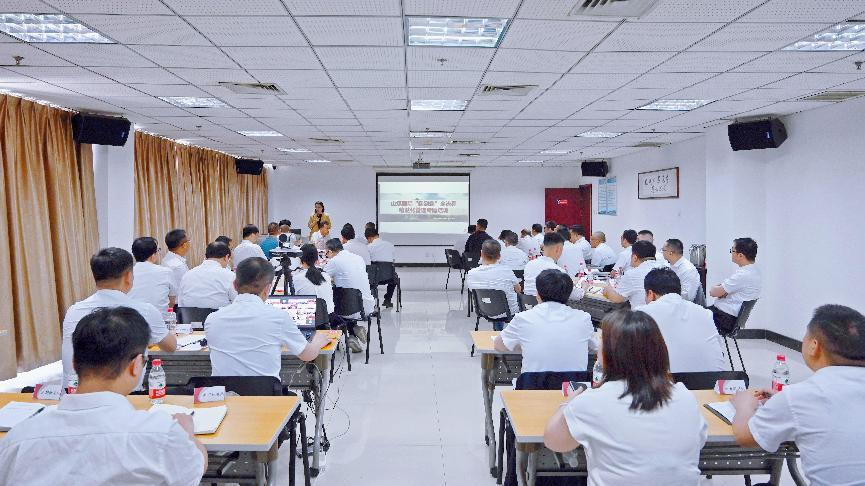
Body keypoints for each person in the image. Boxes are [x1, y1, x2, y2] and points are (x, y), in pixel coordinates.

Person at [0, 307, 206, 485]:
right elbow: (195, 466)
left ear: (74, 362)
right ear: (136, 366)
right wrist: (187, 434)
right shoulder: (162, 435)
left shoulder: (17, 441)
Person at [544, 309, 708, 486]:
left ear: (608, 354)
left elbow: (554, 442)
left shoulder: (592, 402)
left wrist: (569, 402)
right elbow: (699, 441)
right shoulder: (685, 397)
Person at [731, 304, 865, 485]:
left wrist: (744, 405)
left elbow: (745, 437)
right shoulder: (797, 397)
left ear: (814, 346)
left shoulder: (798, 397)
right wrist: (782, 401)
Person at [62, 248, 177, 384]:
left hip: (74, 390)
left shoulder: (73, 310)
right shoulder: (144, 310)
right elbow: (171, 347)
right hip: (126, 393)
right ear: (128, 276)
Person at [205, 257, 331, 377]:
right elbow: (307, 355)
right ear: (267, 288)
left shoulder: (212, 319)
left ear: (234, 285)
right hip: (264, 391)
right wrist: (317, 341)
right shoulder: (278, 317)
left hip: (222, 392)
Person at [494, 269, 597, 372]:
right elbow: (594, 347)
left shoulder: (523, 318)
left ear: (537, 294)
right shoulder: (583, 318)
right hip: (573, 382)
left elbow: (499, 346)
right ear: (568, 294)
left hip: (533, 381)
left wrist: (525, 346)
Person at [636, 268, 725, 373]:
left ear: (651, 294)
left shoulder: (642, 313)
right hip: (714, 380)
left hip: (668, 381)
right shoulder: (705, 313)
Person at [323, 239, 374, 340]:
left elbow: (322, 279)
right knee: (345, 295)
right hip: (367, 306)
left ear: (330, 251)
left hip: (349, 308)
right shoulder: (358, 258)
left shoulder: (334, 261)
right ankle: (353, 331)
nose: (326, 256)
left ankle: (350, 334)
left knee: (328, 307)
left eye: (326, 253)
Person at [708, 237, 761, 334]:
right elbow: (723, 291)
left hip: (723, 318)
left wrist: (721, 290)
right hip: (729, 318)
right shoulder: (753, 271)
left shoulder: (743, 275)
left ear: (740, 255)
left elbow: (713, 292)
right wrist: (723, 290)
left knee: (692, 316)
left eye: (732, 251)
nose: (731, 253)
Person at [464, 240, 521, 321]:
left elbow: (473, 291)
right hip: (508, 312)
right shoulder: (506, 271)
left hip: (484, 310)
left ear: (481, 254)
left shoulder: (471, 273)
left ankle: (498, 326)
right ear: (499, 256)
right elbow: (518, 290)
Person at [604, 240, 667, 308]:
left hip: (642, 313)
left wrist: (608, 288)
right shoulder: (665, 269)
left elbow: (616, 299)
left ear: (635, 257)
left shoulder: (633, 274)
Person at [523, 232, 584, 301]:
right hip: (547, 307)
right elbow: (576, 295)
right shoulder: (558, 271)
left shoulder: (529, 264)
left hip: (528, 305)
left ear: (543, 246)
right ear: (558, 249)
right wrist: (584, 287)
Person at [178, 242, 237, 309]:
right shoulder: (230, 276)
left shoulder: (187, 275)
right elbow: (237, 301)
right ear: (226, 257)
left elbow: (181, 303)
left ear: (205, 257)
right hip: (220, 315)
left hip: (188, 315)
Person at [128, 236, 176, 311]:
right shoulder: (166, 272)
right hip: (160, 317)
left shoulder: (127, 273)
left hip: (133, 317)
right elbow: (172, 301)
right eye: (158, 250)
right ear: (153, 255)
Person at [365, 227, 398, 308]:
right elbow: (393, 261)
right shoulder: (390, 245)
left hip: (375, 278)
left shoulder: (368, 247)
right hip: (390, 277)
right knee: (394, 277)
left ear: (369, 238)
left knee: (368, 277)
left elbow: (367, 262)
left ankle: (373, 302)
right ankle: (387, 300)